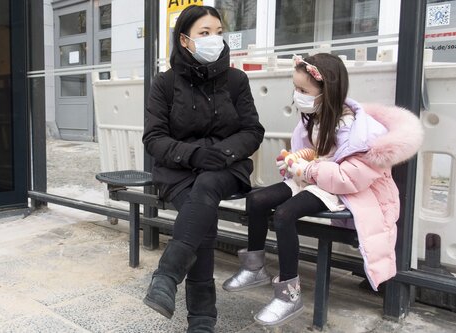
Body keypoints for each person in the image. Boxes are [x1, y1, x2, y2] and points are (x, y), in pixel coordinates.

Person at [222, 53, 424, 326]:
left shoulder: (357, 129)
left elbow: (348, 177)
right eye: (296, 88)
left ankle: (288, 295)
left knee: (284, 215)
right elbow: (318, 151)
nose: (298, 95)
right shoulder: (316, 117)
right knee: (256, 199)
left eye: (303, 90)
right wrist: (296, 159)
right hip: (314, 179)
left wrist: (305, 169)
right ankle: (254, 267)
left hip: (339, 190)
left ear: (326, 90)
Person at [142, 5, 265, 332]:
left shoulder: (236, 80)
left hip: (227, 168)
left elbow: (253, 131)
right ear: (185, 40)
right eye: (205, 33)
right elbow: (154, 138)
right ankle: (201, 321)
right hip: (179, 171)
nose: (215, 39)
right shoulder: (165, 84)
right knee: (203, 217)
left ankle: (167, 276)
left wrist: (222, 153)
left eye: (218, 32)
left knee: (208, 186)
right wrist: (194, 155)